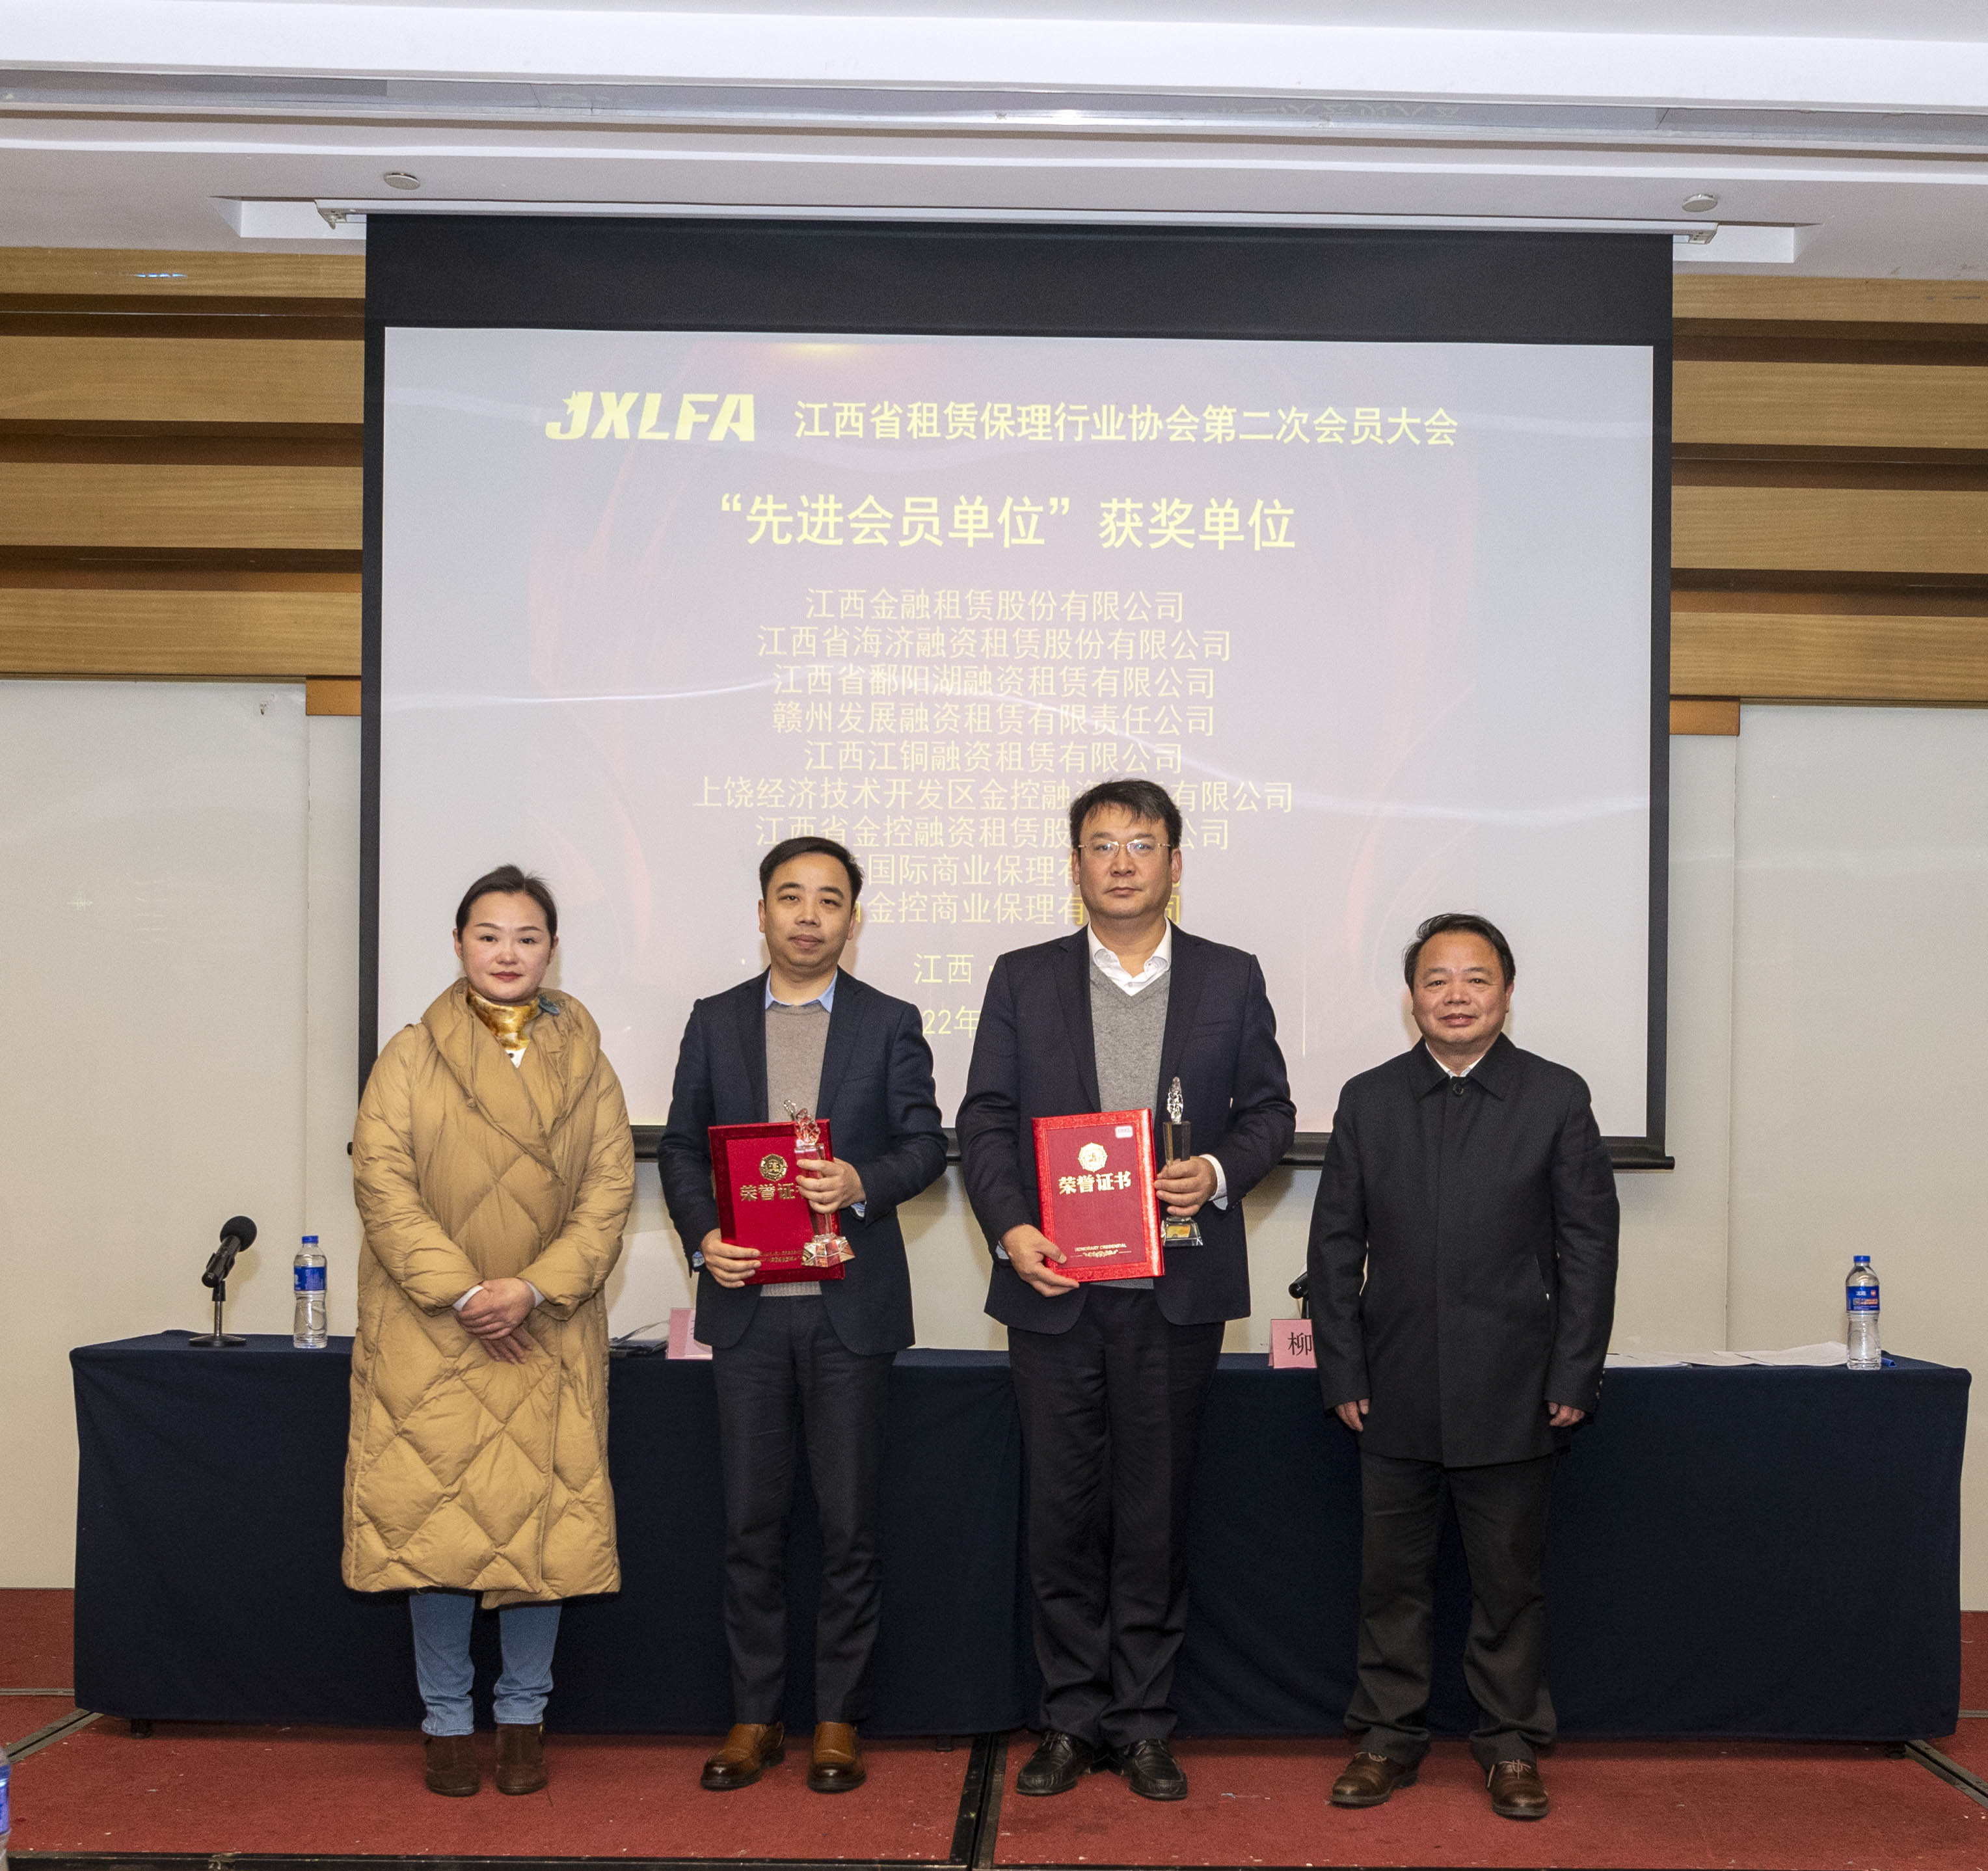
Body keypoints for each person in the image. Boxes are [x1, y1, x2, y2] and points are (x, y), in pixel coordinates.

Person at [957, 778, 1295, 1803]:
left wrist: (1220, 1170)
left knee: (1154, 1515)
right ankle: (1070, 1719)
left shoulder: (1231, 977)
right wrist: (1010, 1228)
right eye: (1100, 845)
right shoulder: (1023, 978)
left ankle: (1143, 1722)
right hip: (1056, 1287)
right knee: (1061, 1515)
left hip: (1175, 1290)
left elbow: (1271, 1112)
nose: (1120, 862)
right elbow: (984, 1119)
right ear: (1075, 867)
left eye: (1140, 844)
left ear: (1174, 864)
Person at [1307, 913, 1619, 1822]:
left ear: (1507, 994)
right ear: (1411, 998)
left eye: (1475, 979)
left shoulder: (1556, 1097)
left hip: (1516, 1388)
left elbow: (1588, 1249)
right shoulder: (1369, 1099)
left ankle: (1511, 1744)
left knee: (1509, 1585)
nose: (1455, 996)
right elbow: (1336, 1247)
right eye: (1435, 980)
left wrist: (1573, 1375)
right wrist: (1342, 1371)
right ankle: (1385, 1738)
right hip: (1391, 1385)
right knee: (1390, 1582)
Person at [658, 836, 947, 1795]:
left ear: (852, 920)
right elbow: (682, 1150)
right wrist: (704, 1237)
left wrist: (862, 1182)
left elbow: (925, 1147)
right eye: (791, 897)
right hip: (747, 1307)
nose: (809, 916)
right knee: (751, 1526)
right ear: (763, 913)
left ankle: (836, 1719)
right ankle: (755, 1717)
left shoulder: (891, 1022)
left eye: (829, 900)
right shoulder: (715, 1021)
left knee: (850, 1529)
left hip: (848, 1314)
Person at [344, 865, 635, 1799]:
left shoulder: (586, 1058)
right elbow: (381, 1183)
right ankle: (444, 1721)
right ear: (459, 944)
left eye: (527, 937)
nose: (508, 953)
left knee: (540, 1532)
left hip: (544, 1326)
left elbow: (609, 1192)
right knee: (438, 1533)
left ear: (552, 950)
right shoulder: (407, 1056)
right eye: (489, 935)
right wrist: (467, 1292)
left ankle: (522, 1718)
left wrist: (534, 1289)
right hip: (434, 1327)